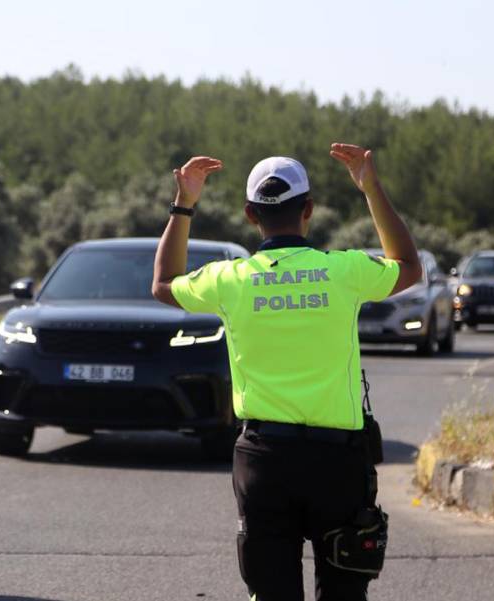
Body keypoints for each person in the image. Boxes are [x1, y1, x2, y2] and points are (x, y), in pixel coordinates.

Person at [151, 144, 421, 601]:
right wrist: (370, 188)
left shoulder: (230, 279)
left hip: (264, 460)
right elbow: (410, 266)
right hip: (338, 464)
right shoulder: (344, 271)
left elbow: (162, 284)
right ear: (309, 210)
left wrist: (184, 204)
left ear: (250, 214)